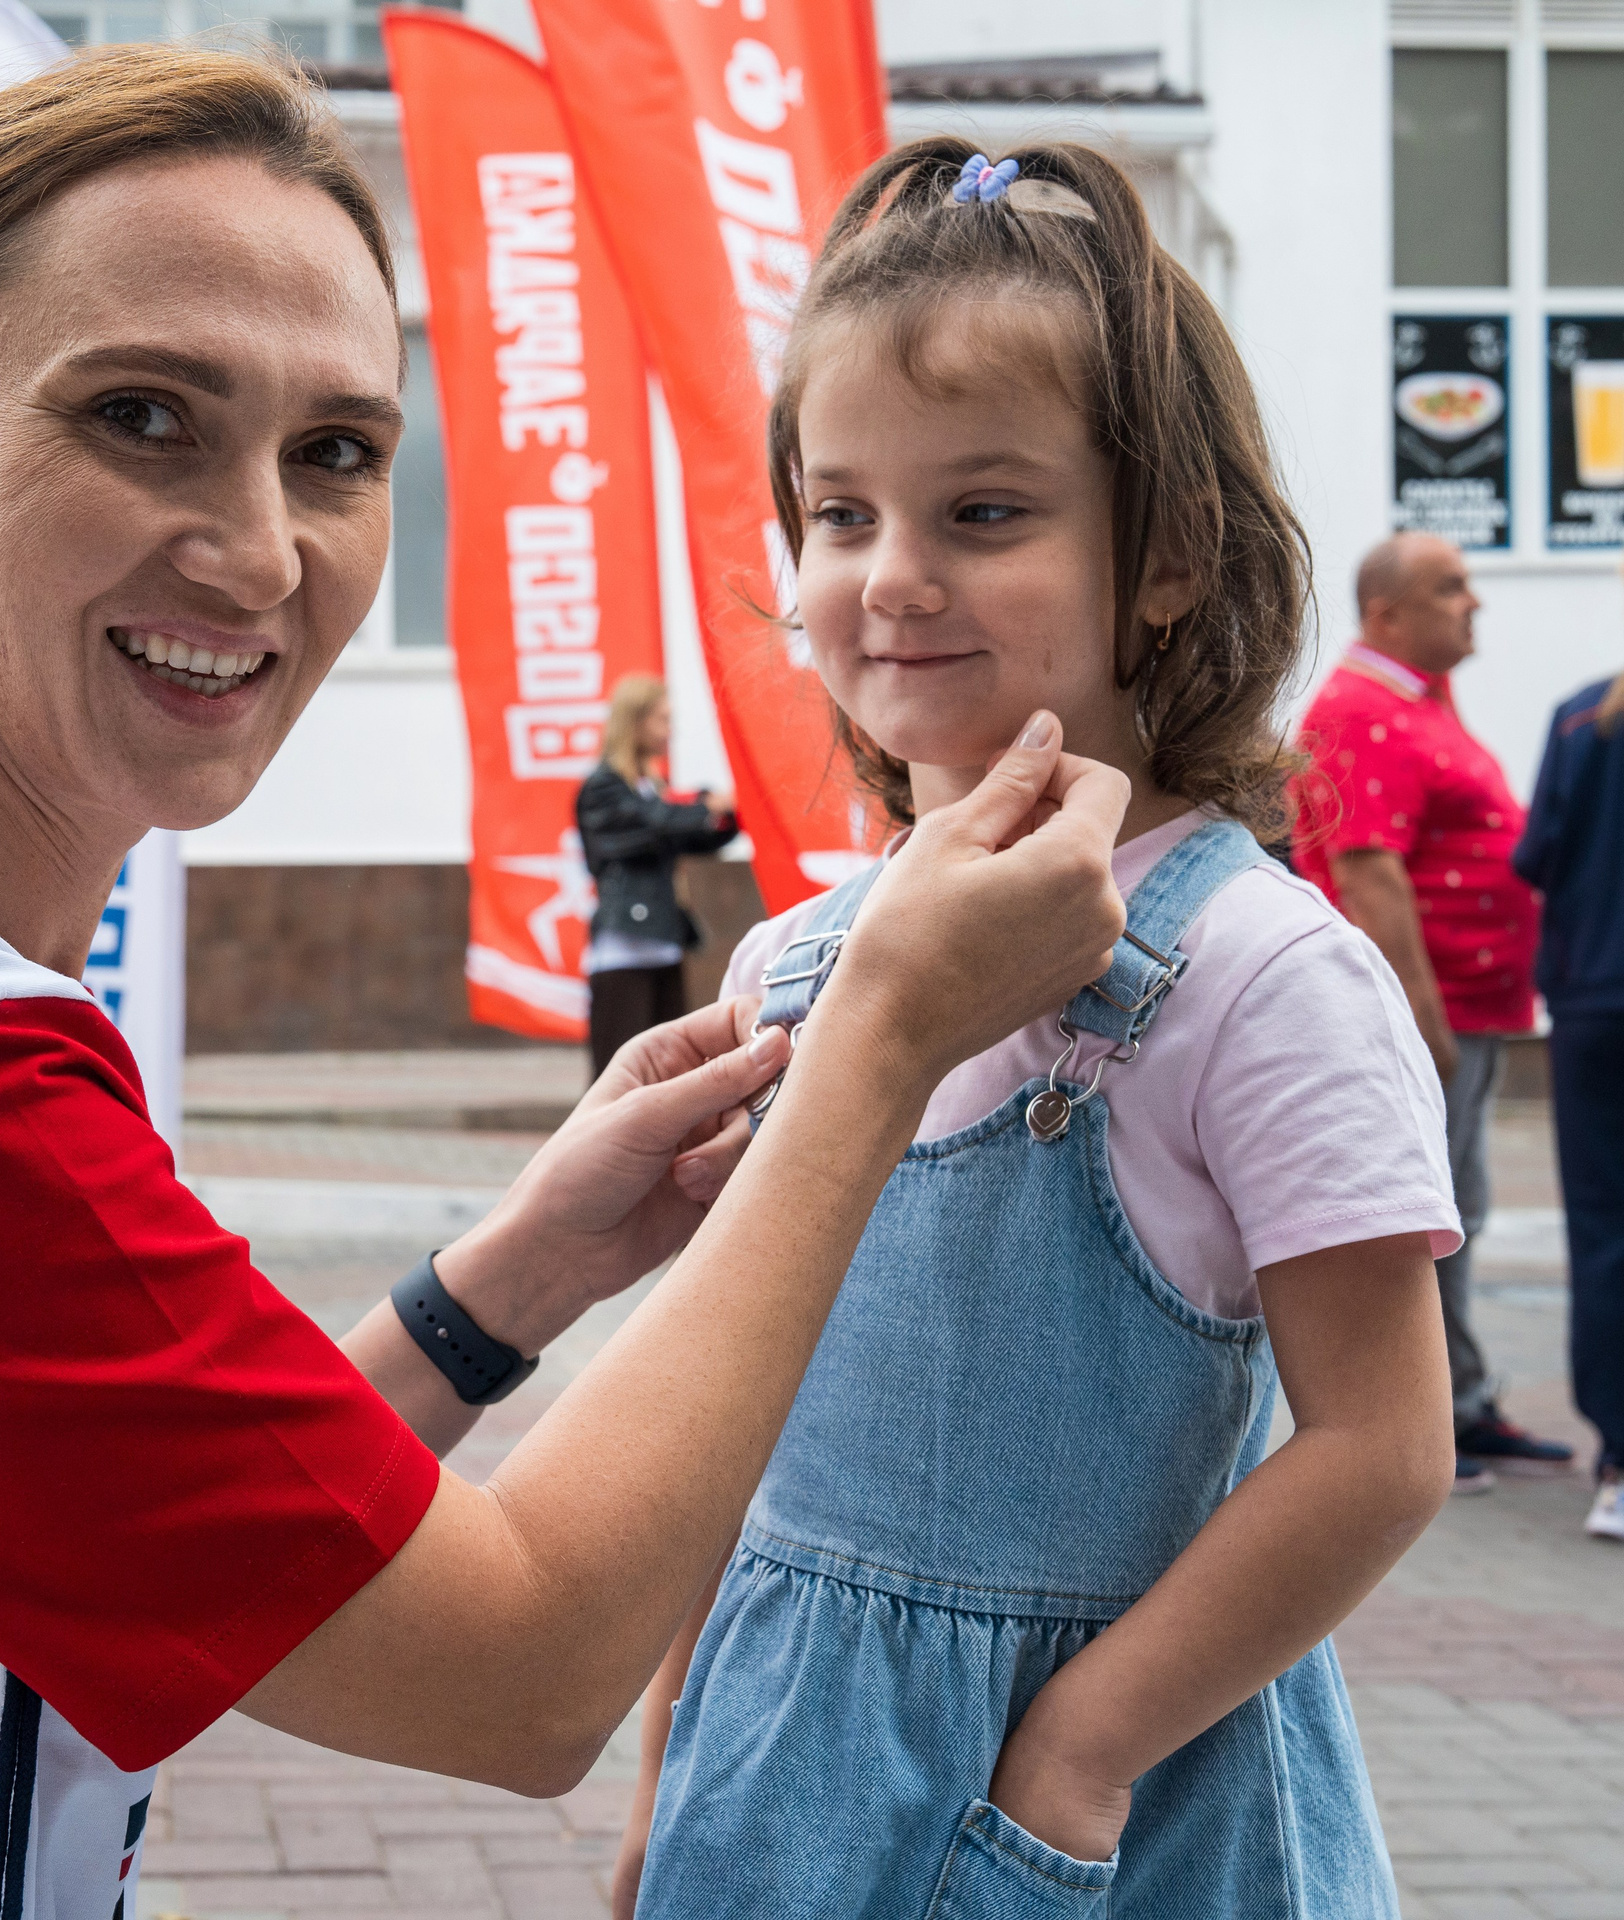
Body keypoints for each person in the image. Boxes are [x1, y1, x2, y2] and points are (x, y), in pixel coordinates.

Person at [0, 55, 1129, 1920]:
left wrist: (513, 1280)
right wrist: (879, 1041)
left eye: (335, 451)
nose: (256, 552)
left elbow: (199, 1532)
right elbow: (525, 1671)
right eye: (141, 416)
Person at [617, 142, 1459, 1919]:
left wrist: (1073, 1761)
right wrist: (672, 1742)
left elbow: (1384, 1450)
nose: (892, 577)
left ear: (1162, 560)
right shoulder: (784, 969)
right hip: (776, 1776)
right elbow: (730, 1424)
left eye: (981, 514)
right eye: (841, 515)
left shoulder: (1258, 969)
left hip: (1122, 1809)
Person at [1294, 533, 1573, 1490]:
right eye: (1451, 587)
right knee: (1426, 1214)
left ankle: (1462, 1397)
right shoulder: (1367, 711)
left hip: (1474, 1007)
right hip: (1434, 1012)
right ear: (1386, 613)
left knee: (1464, 1204)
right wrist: (1419, 1015)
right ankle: (1429, 1416)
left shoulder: (1417, 703)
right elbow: (1370, 872)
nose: (1474, 603)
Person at [1513, 663, 1624, 1541]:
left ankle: (1618, 1463)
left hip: (1593, 1005)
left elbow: (1537, 855)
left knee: (1602, 1231)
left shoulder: (1582, 715)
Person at [577, 676, 738, 1077]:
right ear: (635, 722)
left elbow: (685, 834)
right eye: (662, 720)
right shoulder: (604, 788)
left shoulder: (649, 786)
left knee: (667, 1074)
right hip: (623, 946)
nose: (670, 731)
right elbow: (656, 824)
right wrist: (705, 807)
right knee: (618, 1076)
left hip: (663, 941)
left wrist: (728, 817)